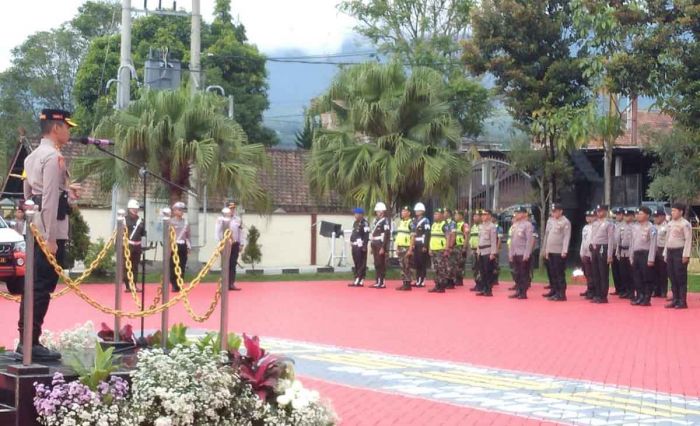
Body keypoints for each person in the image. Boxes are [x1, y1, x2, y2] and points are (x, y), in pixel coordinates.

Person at [18, 108, 80, 361]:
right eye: (67, 126)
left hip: (33, 229)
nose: (68, 131)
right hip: (48, 232)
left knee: (32, 286)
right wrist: (50, 238)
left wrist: (69, 193)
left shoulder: (32, 157)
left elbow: (28, 195)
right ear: (56, 127)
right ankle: (32, 342)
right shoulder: (54, 158)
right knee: (42, 286)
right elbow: (50, 201)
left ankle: (26, 340)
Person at [664, 203, 692, 309]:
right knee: (672, 276)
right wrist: (665, 253)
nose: (672, 213)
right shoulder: (670, 223)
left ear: (681, 212)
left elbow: (688, 240)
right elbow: (667, 239)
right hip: (670, 251)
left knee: (680, 277)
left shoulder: (685, 224)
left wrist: (686, 255)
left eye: (675, 211)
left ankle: (682, 301)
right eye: (672, 211)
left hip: (679, 252)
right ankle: (675, 299)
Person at [541, 203, 571, 301]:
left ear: (561, 211)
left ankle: (561, 293)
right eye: (553, 212)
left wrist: (564, 250)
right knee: (552, 272)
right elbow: (547, 236)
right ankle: (555, 291)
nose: (554, 213)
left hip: (559, 252)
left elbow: (566, 237)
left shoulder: (565, 222)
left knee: (559, 273)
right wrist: (545, 250)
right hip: (550, 251)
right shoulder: (551, 221)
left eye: (556, 211)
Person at [215, 200, 246, 291]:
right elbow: (217, 232)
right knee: (225, 264)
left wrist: (242, 243)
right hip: (225, 244)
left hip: (235, 244)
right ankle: (224, 284)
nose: (232, 210)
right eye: (230, 208)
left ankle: (231, 283)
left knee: (233, 264)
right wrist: (219, 243)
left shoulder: (238, 219)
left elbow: (241, 232)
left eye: (233, 209)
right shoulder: (220, 219)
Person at [630, 206, 657, 306]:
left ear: (647, 215)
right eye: (638, 214)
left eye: (641, 214)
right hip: (636, 254)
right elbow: (632, 242)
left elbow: (653, 244)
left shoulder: (651, 228)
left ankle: (646, 298)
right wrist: (631, 256)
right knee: (637, 277)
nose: (638, 216)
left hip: (645, 254)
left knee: (647, 277)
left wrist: (651, 258)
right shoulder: (635, 227)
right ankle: (639, 296)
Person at [589, 204, 615, 303]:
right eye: (597, 211)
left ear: (605, 211)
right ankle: (597, 293)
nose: (598, 212)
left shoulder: (609, 224)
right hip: (595, 248)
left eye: (600, 211)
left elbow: (611, 240)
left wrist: (609, 255)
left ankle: (603, 295)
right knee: (595, 272)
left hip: (603, 248)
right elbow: (593, 236)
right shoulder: (595, 223)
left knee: (603, 273)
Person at [508, 206, 534, 299]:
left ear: (524, 214)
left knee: (523, 274)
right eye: (516, 213)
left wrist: (527, 254)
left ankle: (523, 292)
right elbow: (512, 240)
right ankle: (518, 290)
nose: (517, 214)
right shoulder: (515, 225)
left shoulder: (527, 225)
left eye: (519, 213)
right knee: (517, 273)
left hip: (522, 253)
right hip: (515, 253)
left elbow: (529, 241)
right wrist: (510, 253)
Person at [124, 199, 146, 292]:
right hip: (128, 245)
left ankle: (134, 284)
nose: (136, 210)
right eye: (134, 208)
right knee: (126, 266)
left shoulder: (140, 220)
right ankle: (128, 286)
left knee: (135, 266)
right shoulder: (124, 219)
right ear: (129, 209)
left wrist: (143, 247)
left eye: (137, 208)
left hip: (137, 246)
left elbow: (143, 234)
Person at [476, 209, 498, 297]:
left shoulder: (492, 226)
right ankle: (484, 288)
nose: (483, 216)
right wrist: (478, 250)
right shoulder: (481, 226)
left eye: (485, 214)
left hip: (488, 251)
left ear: (489, 216)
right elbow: (479, 239)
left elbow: (493, 240)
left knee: (488, 271)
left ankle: (489, 290)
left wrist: (493, 253)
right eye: (482, 215)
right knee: (482, 271)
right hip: (481, 251)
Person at [169, 201, 191, 292]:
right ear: (174, 211)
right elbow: (168, 235)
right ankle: (174, 284)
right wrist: (169, 247)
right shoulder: (171, 222)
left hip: (183, 245)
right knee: (174, 265)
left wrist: (189, 247)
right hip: (174, 245)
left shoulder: (186, 222)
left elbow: (188, 236)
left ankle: (180, 283)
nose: (181, 211)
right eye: (179, 210)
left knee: (182, 265)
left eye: (182, 210)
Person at [428, 209, 451, 293]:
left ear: (442, 215)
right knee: (435, 269)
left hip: (440, 250)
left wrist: (446, 249)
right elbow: (431, 237)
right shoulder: (433, 225)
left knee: (441, 268)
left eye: (437, 214)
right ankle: (437, 285)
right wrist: (430, 248)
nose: (435, 216)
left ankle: (441, 286)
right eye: (434, 214)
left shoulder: (444, 224)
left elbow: (448, 237)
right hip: (434, 249)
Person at [370, 202, 391, 289]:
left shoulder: (385, 221)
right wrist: (371, 245)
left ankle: (382, 282)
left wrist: (383, 247)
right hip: (375, 243)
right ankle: (377, 280)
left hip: (380, 244)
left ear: (382, 211)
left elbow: (386, 235)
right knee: (376, 263)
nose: (377, 213)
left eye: (378, 211)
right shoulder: (376, 221)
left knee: (381, 263)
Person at [410, 202, 430, 288]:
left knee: (422, 262)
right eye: (416, 210)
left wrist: (425, 245)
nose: (416, 212)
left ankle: (422, 280)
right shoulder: (414, 221)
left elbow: (427, 233)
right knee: (417, 262)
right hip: (416, 243)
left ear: (422, 211)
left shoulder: (426, 221)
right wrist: (413, 244)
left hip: (422, 243)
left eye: (418, 210)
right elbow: (413, 233)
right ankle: (418, 280)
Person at [348, 208, 370, 287]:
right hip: (355, 245)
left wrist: (364, 246)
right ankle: (357, 277)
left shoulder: (365, 223)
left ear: (361, 214)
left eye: (356, 214)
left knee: (361, 263)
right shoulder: (355, 223)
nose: (355, 215)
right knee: (356, 262)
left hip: (361, 245)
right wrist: (351, 240)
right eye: (355, 214)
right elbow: (354, 232)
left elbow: (366, 236)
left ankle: (360, 278)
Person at [616, 209, 635, 300]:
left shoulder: (634, 226)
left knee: (631, 273)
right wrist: (617, 251)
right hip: (622, 251)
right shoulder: (621, 226)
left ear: (632, 217)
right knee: (623, 273)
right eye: (625, 216)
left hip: (630, 251)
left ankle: (632, 291)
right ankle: (626, 290)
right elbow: (618, 239)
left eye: (628, 216)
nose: (626, 217)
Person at [395, 206, 414, 291]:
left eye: (405, 211)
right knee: (402, 266)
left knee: (407, 265)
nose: (403, 213)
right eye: (402, 211)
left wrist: (410, 249)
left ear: (409, 213)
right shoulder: (401, 222)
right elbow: (399, 236)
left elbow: (413, 236)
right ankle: (404, 283)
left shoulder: (411, 222)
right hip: (400, 247)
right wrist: (397, 247)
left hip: (406, 247)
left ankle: (408, 283)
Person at [652, 208, 669, 298]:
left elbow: (667, 240)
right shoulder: (653, 227)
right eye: (654, 217)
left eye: (657, 217)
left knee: (663, 272)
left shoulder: (667, 226)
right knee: (654, 271)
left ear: (662, 217)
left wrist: (665, 252)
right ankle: (656, 290)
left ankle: (663, 290)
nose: (655, 218)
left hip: (662, 250)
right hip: (654, 250)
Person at [579, 210, 595, 299]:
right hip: (585, 252)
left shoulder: (596, 227)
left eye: (591, 216)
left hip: (592, 253)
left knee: (593, 273)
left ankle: (593, 290)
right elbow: (583, 240)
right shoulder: (585, 227)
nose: (588, 218)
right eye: (587, 216)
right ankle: (589, 288)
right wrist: (581, 252)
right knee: (587, 273)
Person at [610, 208, 625, 296]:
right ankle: (618, 288)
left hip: (621, 249)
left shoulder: (624, 225)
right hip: (613, 249)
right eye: (617, 214)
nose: (617, 216)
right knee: (615, 270)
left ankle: (623, 289)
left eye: (619, 214)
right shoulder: (614, 225)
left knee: (622, 270)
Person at [442, 209, 458, 289]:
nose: (443, 214)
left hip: (450, 246)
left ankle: (451, 282)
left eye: (444, 212)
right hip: (445, 245)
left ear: (448, 214)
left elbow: (453, 235)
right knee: (446, 264)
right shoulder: (444, 223)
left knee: (451, 264)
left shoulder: (452, 223)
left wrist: (450, 246)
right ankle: (447, 280)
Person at [453, 210, 469, 286]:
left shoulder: (464, 225)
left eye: (456, 215)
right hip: (456, 246)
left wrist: (464, 247)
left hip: (461, 246)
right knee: (455, 263)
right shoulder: (456, 225)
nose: (455, 217)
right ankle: (456, 278)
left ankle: (459, 280)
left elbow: (466, 237)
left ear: (461, 216)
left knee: (460, 263)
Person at [468, 211, 482, 292]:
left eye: (476, 216)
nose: (474, 218)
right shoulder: (473, 227)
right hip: (473, 250)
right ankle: (477, 283)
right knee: (474, 268)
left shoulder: (481, 226)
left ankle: (481, 284)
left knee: (479, 268)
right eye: (474, 216)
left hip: (479, 250)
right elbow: (471, 239)